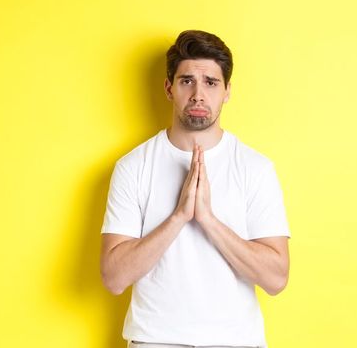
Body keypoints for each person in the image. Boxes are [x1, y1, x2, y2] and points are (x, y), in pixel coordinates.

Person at [99, 30, 291, 348]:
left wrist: (208, 220)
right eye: (187, 80)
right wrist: (178, 217)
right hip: (155, 341)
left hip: (236, 341)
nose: (198, 94)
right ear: (169, 88)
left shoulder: (256, 168)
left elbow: (276, 279)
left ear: (227, 91)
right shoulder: (132, 167)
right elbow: (114, 278)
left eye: (211, 83)